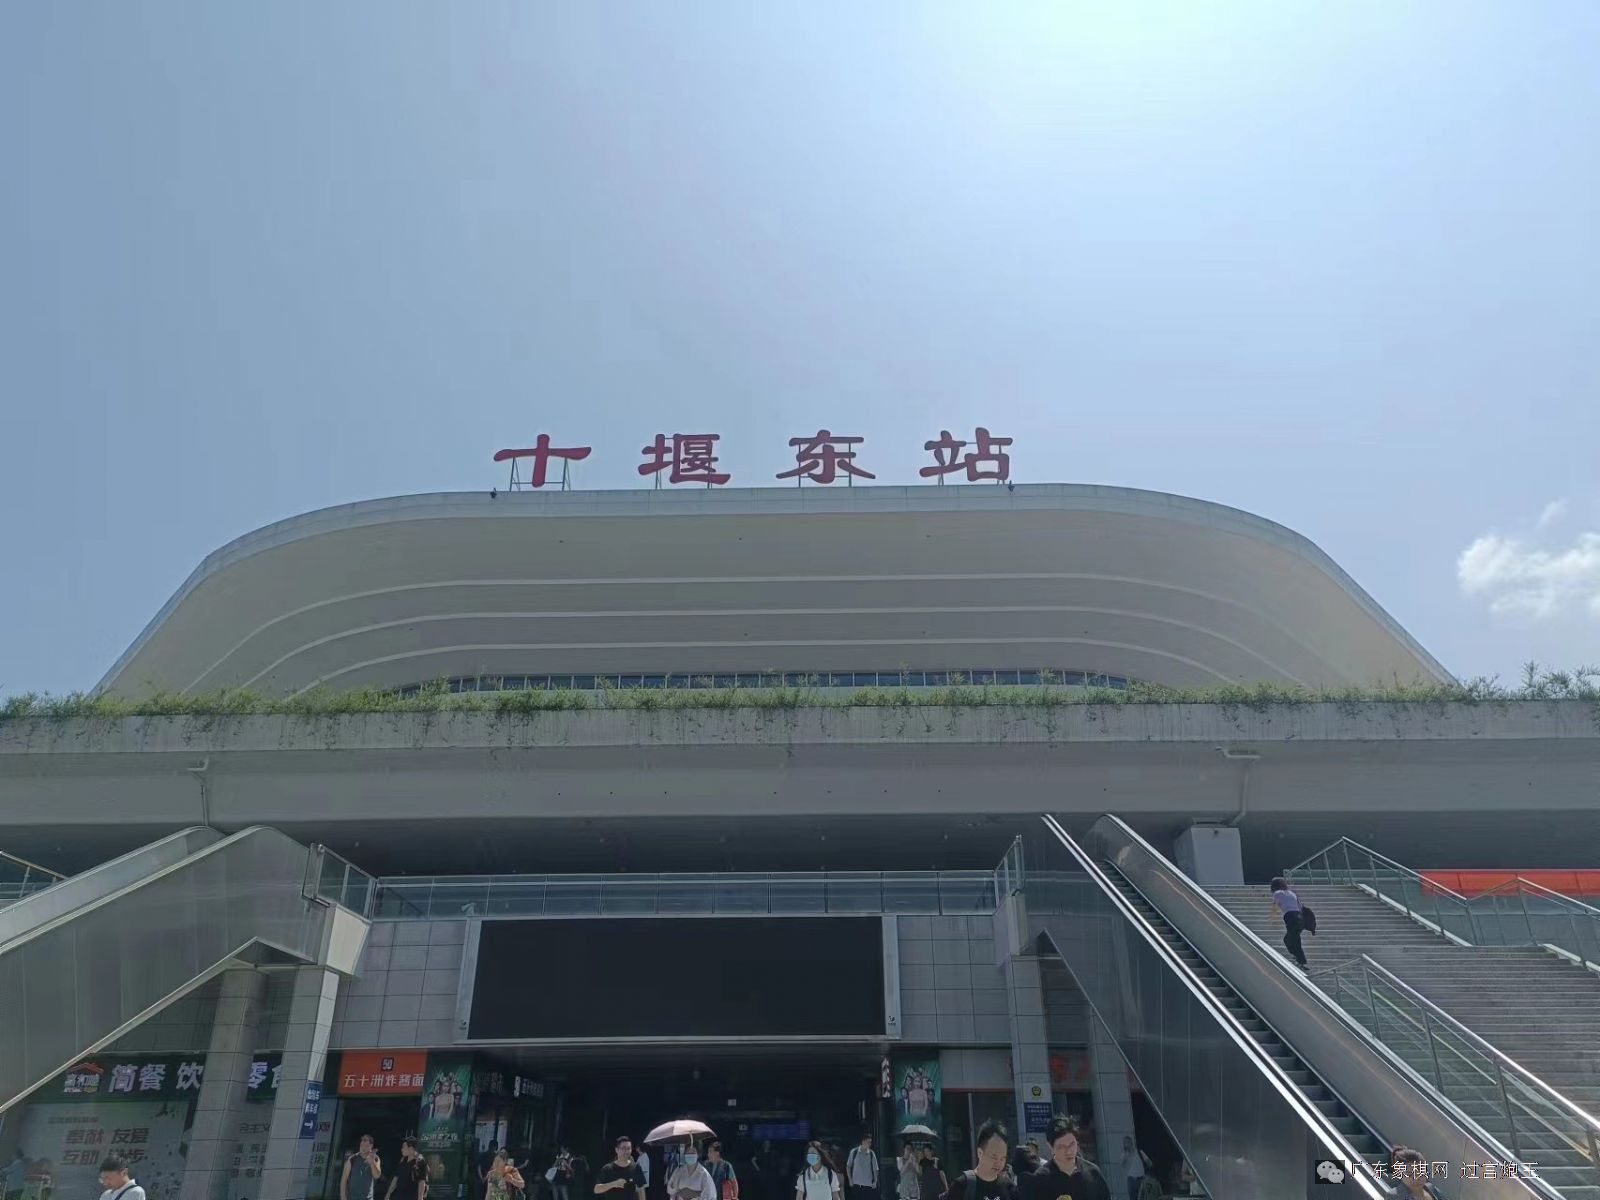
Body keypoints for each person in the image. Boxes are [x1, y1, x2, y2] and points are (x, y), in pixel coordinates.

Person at [1021, 1117, 1108, 1200]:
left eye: (1072, 1144)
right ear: (1051, 1147)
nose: (1069, 1152)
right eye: (1061, 1147)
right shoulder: (1040, 1179)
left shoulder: (1093, 1173)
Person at [943, 1120, 1011, 1200]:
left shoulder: (1009, 1187)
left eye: (1002, 1158)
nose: (998, 1163)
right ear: (980, 1153)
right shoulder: (962, 1186)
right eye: (994, 1157)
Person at [1270, 876, 1309, 970]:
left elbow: (1275, 906)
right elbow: (1299, 906)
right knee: (1288, 939)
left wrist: (1272, 916)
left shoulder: (1277, 893)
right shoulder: (1291, 893)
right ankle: (1297, 957)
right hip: (1299, 917)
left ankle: (1302, 961)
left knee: (1294, 939)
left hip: (1291, 917)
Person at [344, 1135, 384, 1200]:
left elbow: (377, 1176)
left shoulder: (376, 1158)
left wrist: (372, 1161)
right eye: (361, 1141)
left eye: (365, 1140)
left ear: (371, 1145)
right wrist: (343, 1197)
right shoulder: (352, 1159)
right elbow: (344, 1179)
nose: (362, 1142)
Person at [846, 1135, 879, 1200]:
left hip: (868, 1185)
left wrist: (875, 1181)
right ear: (863, 1141)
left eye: (870, 1142)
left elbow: (875, 1169)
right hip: (856, 1184)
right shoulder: (854, 1152)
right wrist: (850, 1179)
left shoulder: (871, 1153)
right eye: (868, 1142)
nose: (870, 1144)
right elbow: (848, 1166)